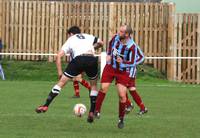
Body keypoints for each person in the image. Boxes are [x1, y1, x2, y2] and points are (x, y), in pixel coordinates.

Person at [35, 26, 103, 123]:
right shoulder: (88, 36)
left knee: (61, 83)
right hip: (91, 59)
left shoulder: (71, 39)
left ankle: (46, 105)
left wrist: (59, 73)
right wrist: (93, 47)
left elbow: (59, 56)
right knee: (94, 86)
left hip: (79, 59)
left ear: (71, 34)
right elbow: (101, 43)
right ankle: (92, 111)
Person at [94, 25, 137, 129]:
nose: (119, 32)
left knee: (122, 96)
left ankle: (121, 119)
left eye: (121, 31)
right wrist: (108, 54)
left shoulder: (132, 46)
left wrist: (123, 62)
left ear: (127, 34)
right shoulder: (115, 38)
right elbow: (110, 44)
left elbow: (132, 62)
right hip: (110, 68)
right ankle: (97, 111)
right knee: (103, 88)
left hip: (123, 72)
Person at [125, 45, 148, 115]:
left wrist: (132, 63)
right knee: (132, 90)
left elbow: (142, 57)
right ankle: (142, 108)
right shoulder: (119, 45)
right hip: (122, 70)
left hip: (130, 71)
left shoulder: (133, 46)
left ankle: (129, 105)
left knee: (122, 88)